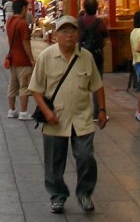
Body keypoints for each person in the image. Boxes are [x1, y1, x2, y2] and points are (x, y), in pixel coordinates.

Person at [29, 15, 107, 215]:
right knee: (54, 162)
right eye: (63, 31)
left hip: (82, 118)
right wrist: (46, 112)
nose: (69, 35)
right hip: (55, 119)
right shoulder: (46, 57)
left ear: (78, 34)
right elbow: (35, 89)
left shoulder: (86, 57)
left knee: (86, 157)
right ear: (56, 35)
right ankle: (57, 196)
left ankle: (85, 193)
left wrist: (103, 110)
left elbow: (97, 85)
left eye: (72, 31)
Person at [77, 0, 109, 113]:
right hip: (97, 56)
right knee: (97, 82)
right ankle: (97, 111)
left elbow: (76, 38)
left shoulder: (79, 22)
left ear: (84, 8)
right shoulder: (100, 23)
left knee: (80, 81)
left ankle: (81, 109)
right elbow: (105, 40)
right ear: (96, 8)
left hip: (81, 55)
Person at [6, 0, 36, 120]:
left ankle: (12, 110)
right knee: (24, 86)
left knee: (13, 85)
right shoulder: (23, 23)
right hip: (23, 59)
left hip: (12, 58)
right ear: (23, 8)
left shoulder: (10, 21)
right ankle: (23, 112)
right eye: (27, 8)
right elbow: (25, 42)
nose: (27, 11)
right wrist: (31, 58)